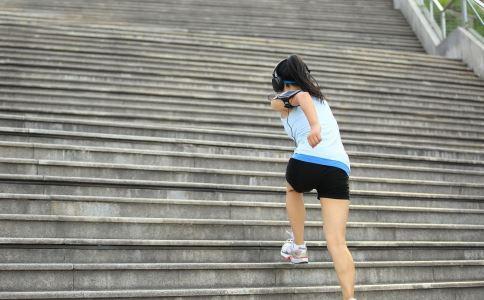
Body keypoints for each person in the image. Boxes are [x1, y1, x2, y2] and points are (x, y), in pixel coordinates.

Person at [269, 54, 356, 300]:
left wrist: (314, 127)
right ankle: (350, 297)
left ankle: (298, 246)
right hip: (338, 167)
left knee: (292, 189)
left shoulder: (288, 97)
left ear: (279, 82)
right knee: (337, 242)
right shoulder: (320, 100)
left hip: (308, 159)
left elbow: (300, 97)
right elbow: (303, 98)